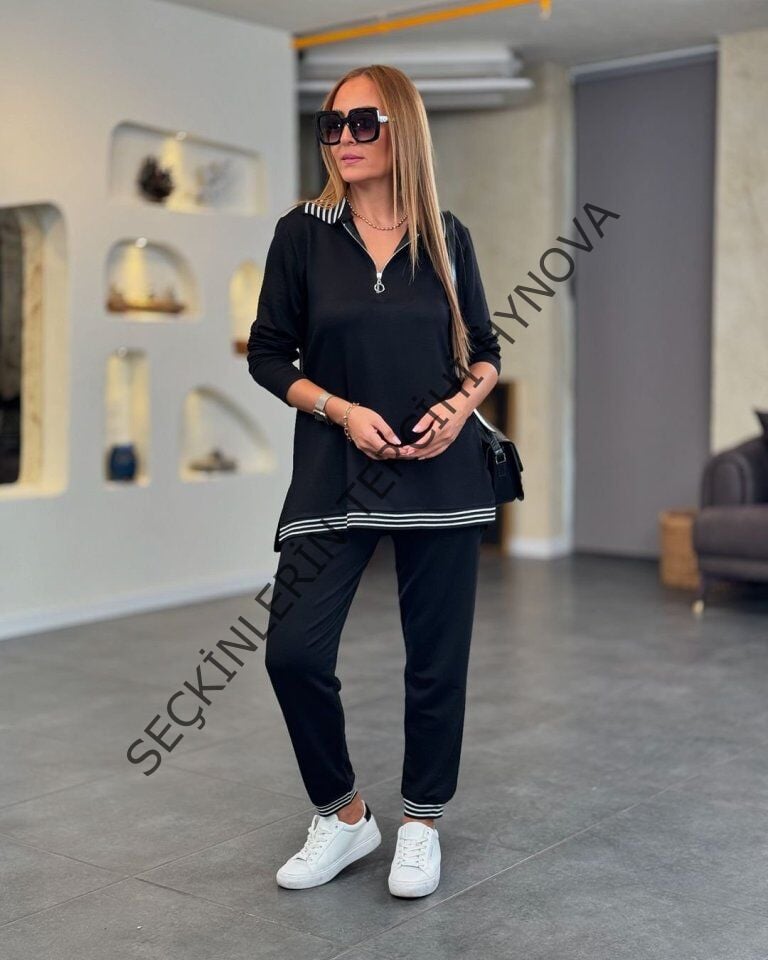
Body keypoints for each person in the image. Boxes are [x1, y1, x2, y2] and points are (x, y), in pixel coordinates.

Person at [247, 64, 502, 899]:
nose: (344, 139)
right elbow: (268, 354)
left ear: (403, 132)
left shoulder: (448, 236)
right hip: (335, 473)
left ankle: (421, 823)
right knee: (292, 652)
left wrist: (460, 410)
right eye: (332, 125)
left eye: (364, 124)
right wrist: (341, 410)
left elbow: (486, 352)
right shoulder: (303, 232)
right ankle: (345, 815)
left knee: (437, 663)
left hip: (442, 476)